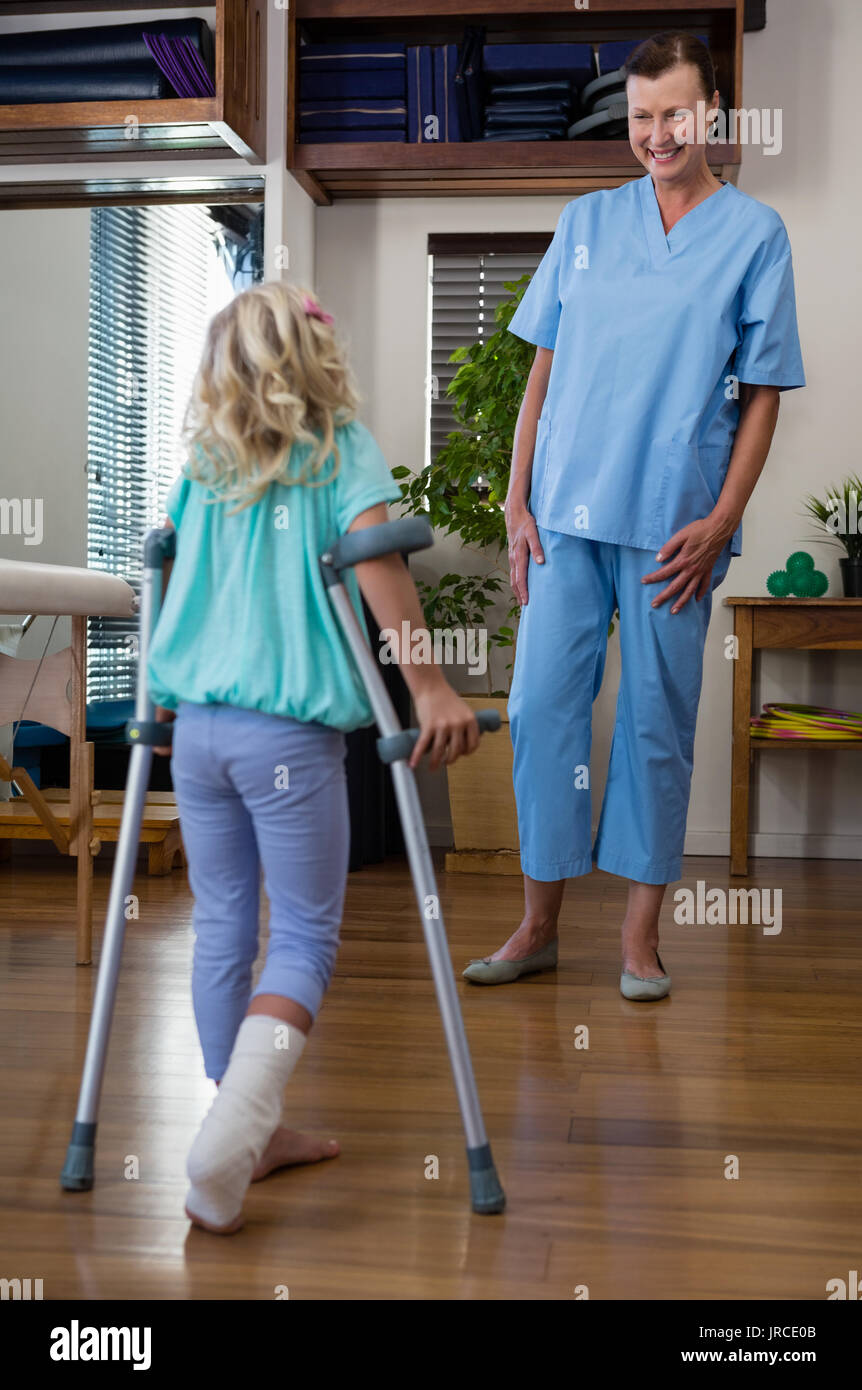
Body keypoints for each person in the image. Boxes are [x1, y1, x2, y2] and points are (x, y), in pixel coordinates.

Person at [463, 32, 805, 999]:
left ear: (714, 114)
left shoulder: (755, 234)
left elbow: (765, 390)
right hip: (566, 518)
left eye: (676, 114)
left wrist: (725, 514)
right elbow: (544, 370)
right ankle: (538, 924)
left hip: (673, 526)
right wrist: (517, 498)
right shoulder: (585, 222)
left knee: (658, 722)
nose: (656, 134)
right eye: (642, 116)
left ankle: (640, 941)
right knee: (538, 710)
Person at [147, 281, 480, 1233]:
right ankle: (231, 1138)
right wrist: (430, 689)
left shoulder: (204, 464)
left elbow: (172, 574)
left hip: (197, 731)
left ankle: (241, 1126)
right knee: (300, 936)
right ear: (316, 360)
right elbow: (381, 569)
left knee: (222, 928)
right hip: (285, 738)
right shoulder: (338, 449)